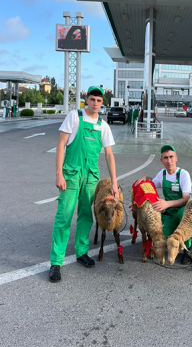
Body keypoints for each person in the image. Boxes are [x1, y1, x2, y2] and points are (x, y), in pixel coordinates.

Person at [49, 86, 119, 282]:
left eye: (98, 100)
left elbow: (109, 154)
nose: (95, 103)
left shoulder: (103, 126)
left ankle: (81, 252)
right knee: (64, 216)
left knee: (86, 216)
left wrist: (114, 182)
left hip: (90, 177)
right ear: (86, 100)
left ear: (102, 103)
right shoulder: (74, 117)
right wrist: (59, 174)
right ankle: (56, 262)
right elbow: (61, 145)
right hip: (71, 174)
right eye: (92, 99)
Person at [136, 145, 192, 264]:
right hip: (169, 212)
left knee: (184, 216)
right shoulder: (162, 174)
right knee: (164, 239)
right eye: (165, 158)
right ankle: (173, 237)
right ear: (161, 161)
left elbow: (186, 199)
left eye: (171, 157)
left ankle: (188, 249)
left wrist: (167, 203)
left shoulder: (183, 174)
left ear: (176, 158)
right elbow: (152, 184)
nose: (169, 160)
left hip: (182, 210)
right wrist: (146, 179)